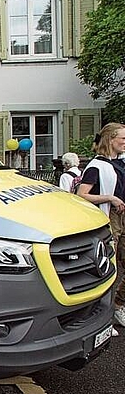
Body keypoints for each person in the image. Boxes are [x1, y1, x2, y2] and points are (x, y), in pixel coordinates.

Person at [77, 123, 125, 334]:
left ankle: (119, 304)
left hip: (122, 216)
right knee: (107, 268)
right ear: (110, 140)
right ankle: (103, 317)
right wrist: (110, 198)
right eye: (122, 138)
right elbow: (81, 194)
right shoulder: (97, 166)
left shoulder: (121, 163)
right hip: (110, 218)